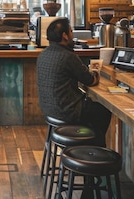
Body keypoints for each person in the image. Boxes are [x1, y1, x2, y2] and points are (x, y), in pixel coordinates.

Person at [36, 17, 111, 147]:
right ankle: (93, 149)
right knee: (103, 111)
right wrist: (96, 72)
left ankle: (83, 147)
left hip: (49, 110)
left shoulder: (43, 54)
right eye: (71, 31)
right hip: (68, 112)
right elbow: (90, 80)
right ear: (64, 35)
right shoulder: (68, 56)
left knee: (94, 111)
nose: (72, 35)